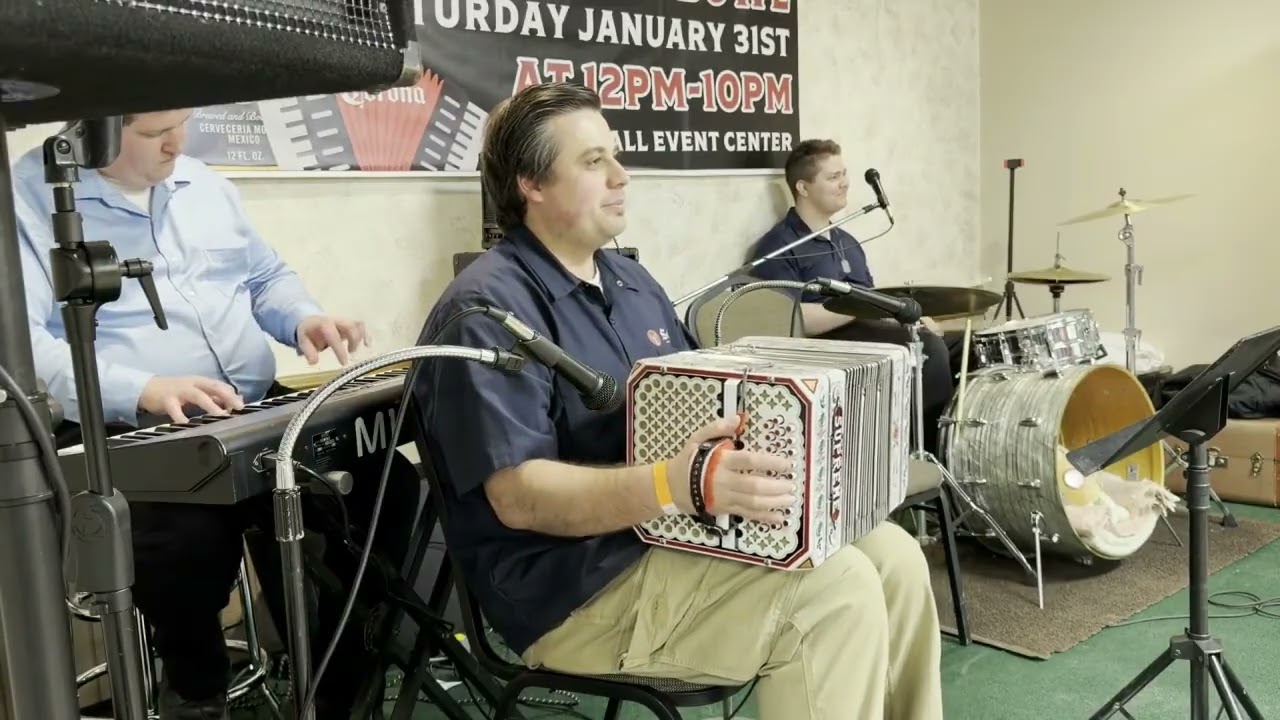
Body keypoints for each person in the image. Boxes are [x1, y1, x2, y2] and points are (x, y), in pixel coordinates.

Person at [412, 82, 944, 720]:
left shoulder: (632, 281)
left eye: (615, 155)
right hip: (572, 590)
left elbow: (702, 403)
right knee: (835, 592)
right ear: (532, 183)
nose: (621, 175)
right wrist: (676, 484)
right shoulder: (485, 311)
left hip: (671, 536)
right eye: (593, 162)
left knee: (894, 557)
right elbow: (520, 497)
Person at [13, 110, 421, 720]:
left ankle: (341, 680)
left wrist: (302, 318)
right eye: (155, 134)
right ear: (98, 124)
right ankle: (196, 690)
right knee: (186, 536)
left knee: (385, 484)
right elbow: (22, 346)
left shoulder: (203, 184)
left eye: (181, 123)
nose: (176, 143)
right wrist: (144, 388)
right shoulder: (28, 198)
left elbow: (264, 277)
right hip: (125, 423)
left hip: (250, 403)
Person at [747, 139, 968, 455]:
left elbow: (873, 300)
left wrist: (910, 316)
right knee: (927, 349)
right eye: (833, 177)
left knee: (963, 343)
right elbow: (790, 319)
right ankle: (927, 457)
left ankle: (963, 450)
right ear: (803, 188)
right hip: (823, 345)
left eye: (844, 173)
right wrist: (860, 307)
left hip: (866, 330)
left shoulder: (846, 240)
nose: (845, 183)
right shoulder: (779, 246)